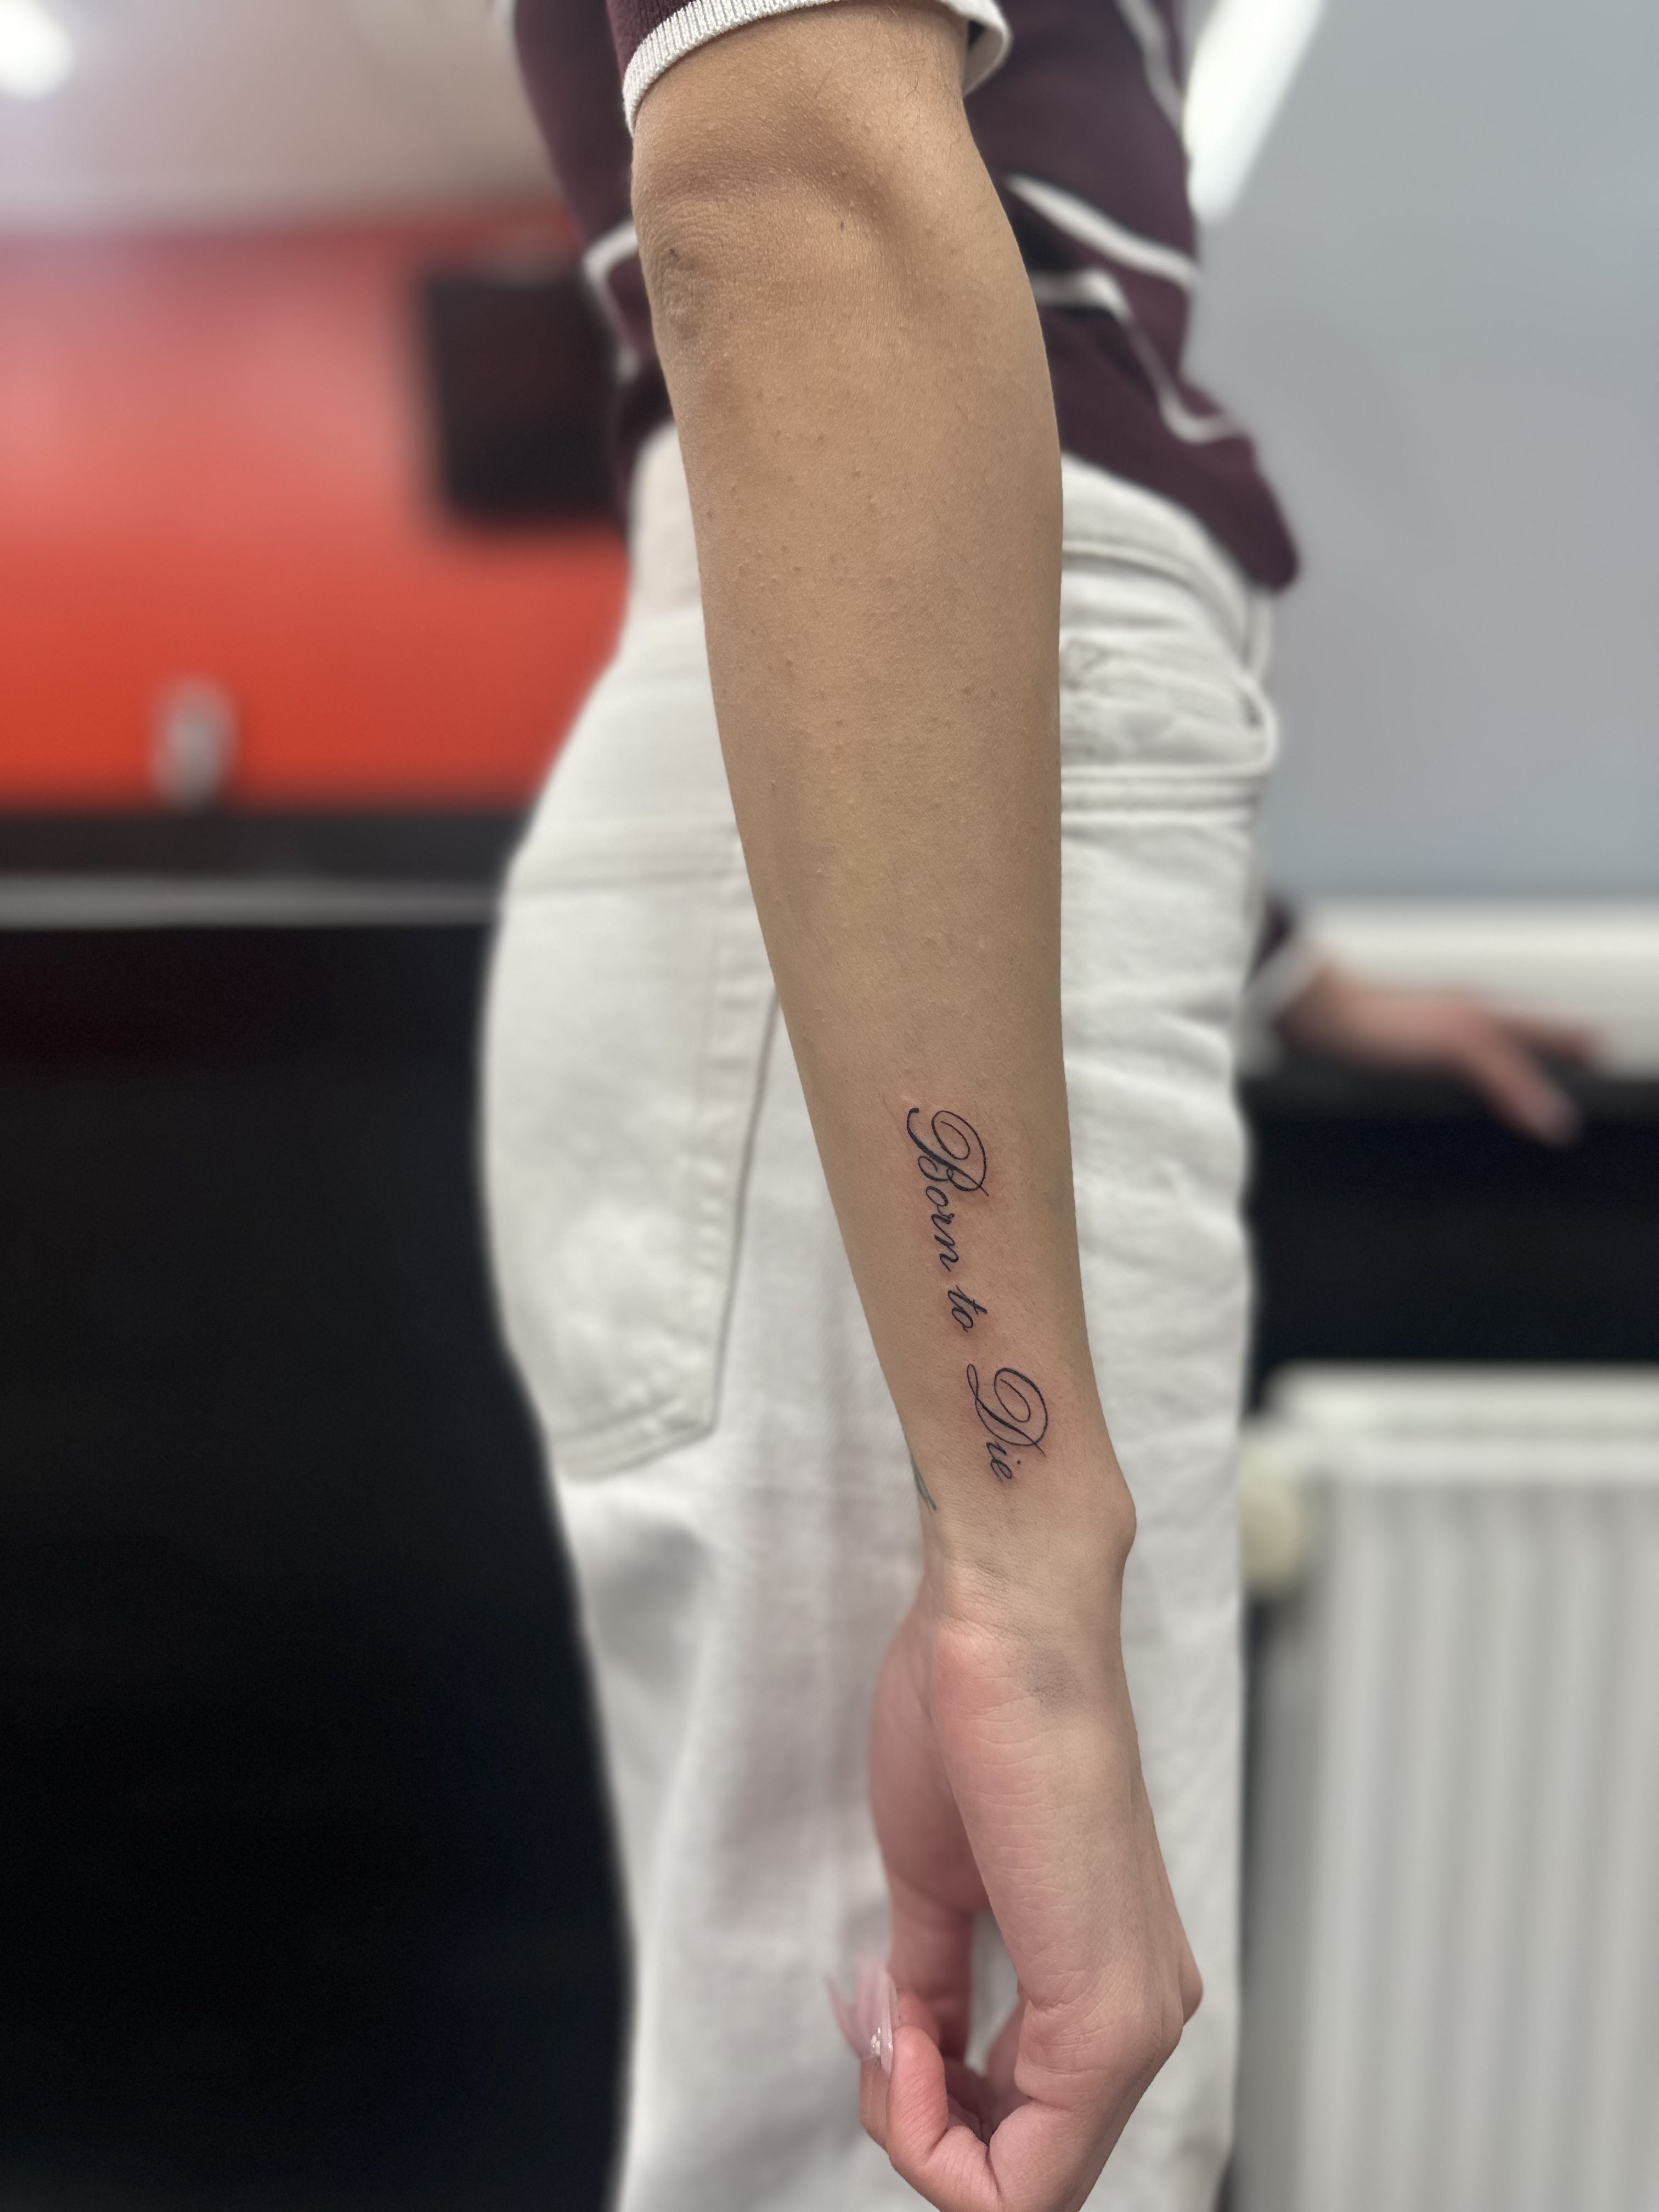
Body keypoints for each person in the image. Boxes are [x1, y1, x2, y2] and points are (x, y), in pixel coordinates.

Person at [484, 2, 1288, 2207]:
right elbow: (800, 177)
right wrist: (1014, 1560)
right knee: (1002, 2139)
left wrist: (1276, 952)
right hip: (901, 754)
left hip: (915, 766)